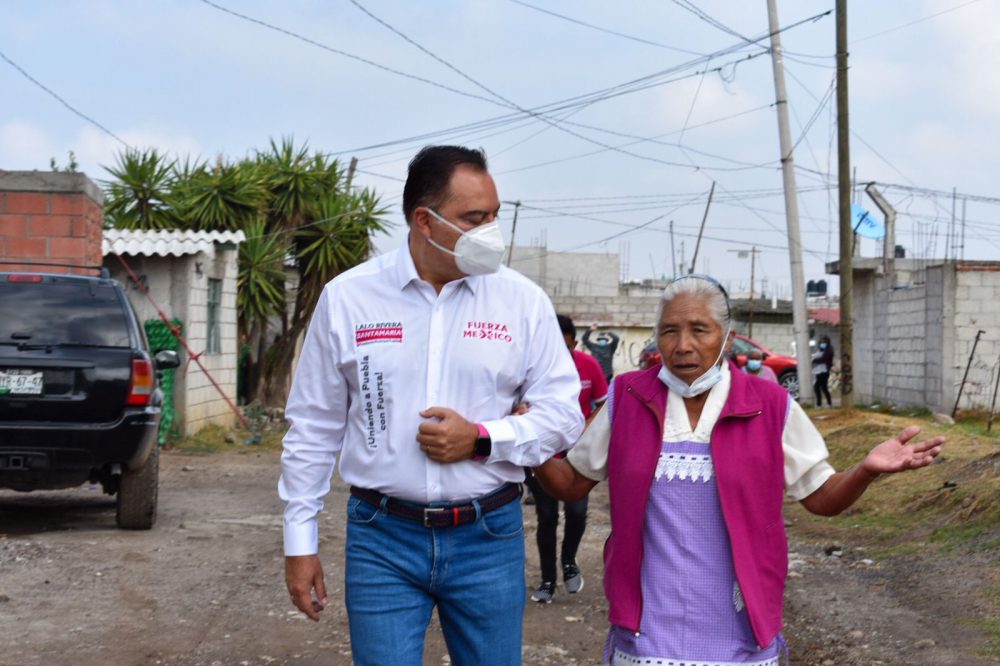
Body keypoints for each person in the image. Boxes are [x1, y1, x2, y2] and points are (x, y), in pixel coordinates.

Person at [533, 274, 944, 665]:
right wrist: (526, 446)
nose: (683, 345)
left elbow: (820, 497)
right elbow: (571, 483)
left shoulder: (770, 404)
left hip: (738, 624)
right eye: (670, 331)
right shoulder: (628, 398)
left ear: (726, 336)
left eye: (700, 329)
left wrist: (866, 470)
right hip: (648, 627)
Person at [279, 145, 584, 666]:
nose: (492, 232)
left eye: (494, 216)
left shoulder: (521, 302)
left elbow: (564, 415)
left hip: (489, 535)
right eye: (474, 218)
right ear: (425, 220)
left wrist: (484, 438)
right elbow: (313, 426)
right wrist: (298, 541)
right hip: (382, 539)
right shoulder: (349, 298)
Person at [527, 314, 608, 604]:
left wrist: (588, 433)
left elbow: (602, 404)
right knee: (546, 518)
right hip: (544, 458)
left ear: (574, 341)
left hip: (579, 460)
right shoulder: (534, 368)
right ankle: (548, 580)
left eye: (567, 346)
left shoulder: (588, 366)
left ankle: (569, 561)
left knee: (576, 513)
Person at [813, 335, 835, 407]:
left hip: (824, 371)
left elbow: (823, 359)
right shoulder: (820, 350)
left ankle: (827, 403)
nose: (822, 344)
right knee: (818, 387)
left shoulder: (829, 351)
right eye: (821, 342)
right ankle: (821, 404)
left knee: (822, 387)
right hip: (818, 371)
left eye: (824, 342)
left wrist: (815, 360)